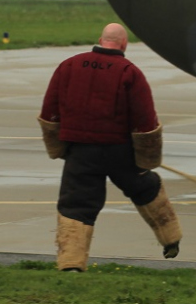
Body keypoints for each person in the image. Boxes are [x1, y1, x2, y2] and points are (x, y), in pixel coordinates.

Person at [37, 23, 181, 272]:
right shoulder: (129, 72)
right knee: (146, 187)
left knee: (76, 204)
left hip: (80, 151)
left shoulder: (69, 66)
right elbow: (146, 121)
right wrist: (147, 159)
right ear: (124, 45)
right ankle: (171, 239)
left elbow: (50, 110)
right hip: (120, 152)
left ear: (100, 40)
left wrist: (58, 147)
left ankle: (71, 264)